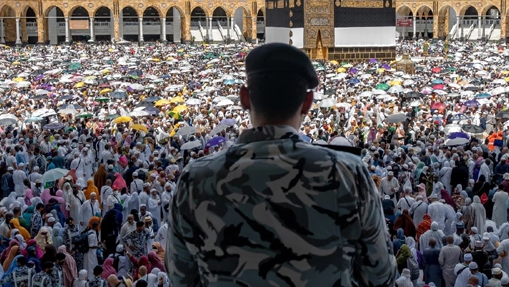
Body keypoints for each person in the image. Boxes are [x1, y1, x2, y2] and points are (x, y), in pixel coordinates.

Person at [165, 43, 396, 286]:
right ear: (307, 102)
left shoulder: (196, 179)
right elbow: (380, 276)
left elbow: (181, 278)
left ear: (244, 98)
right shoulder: (347, 173)